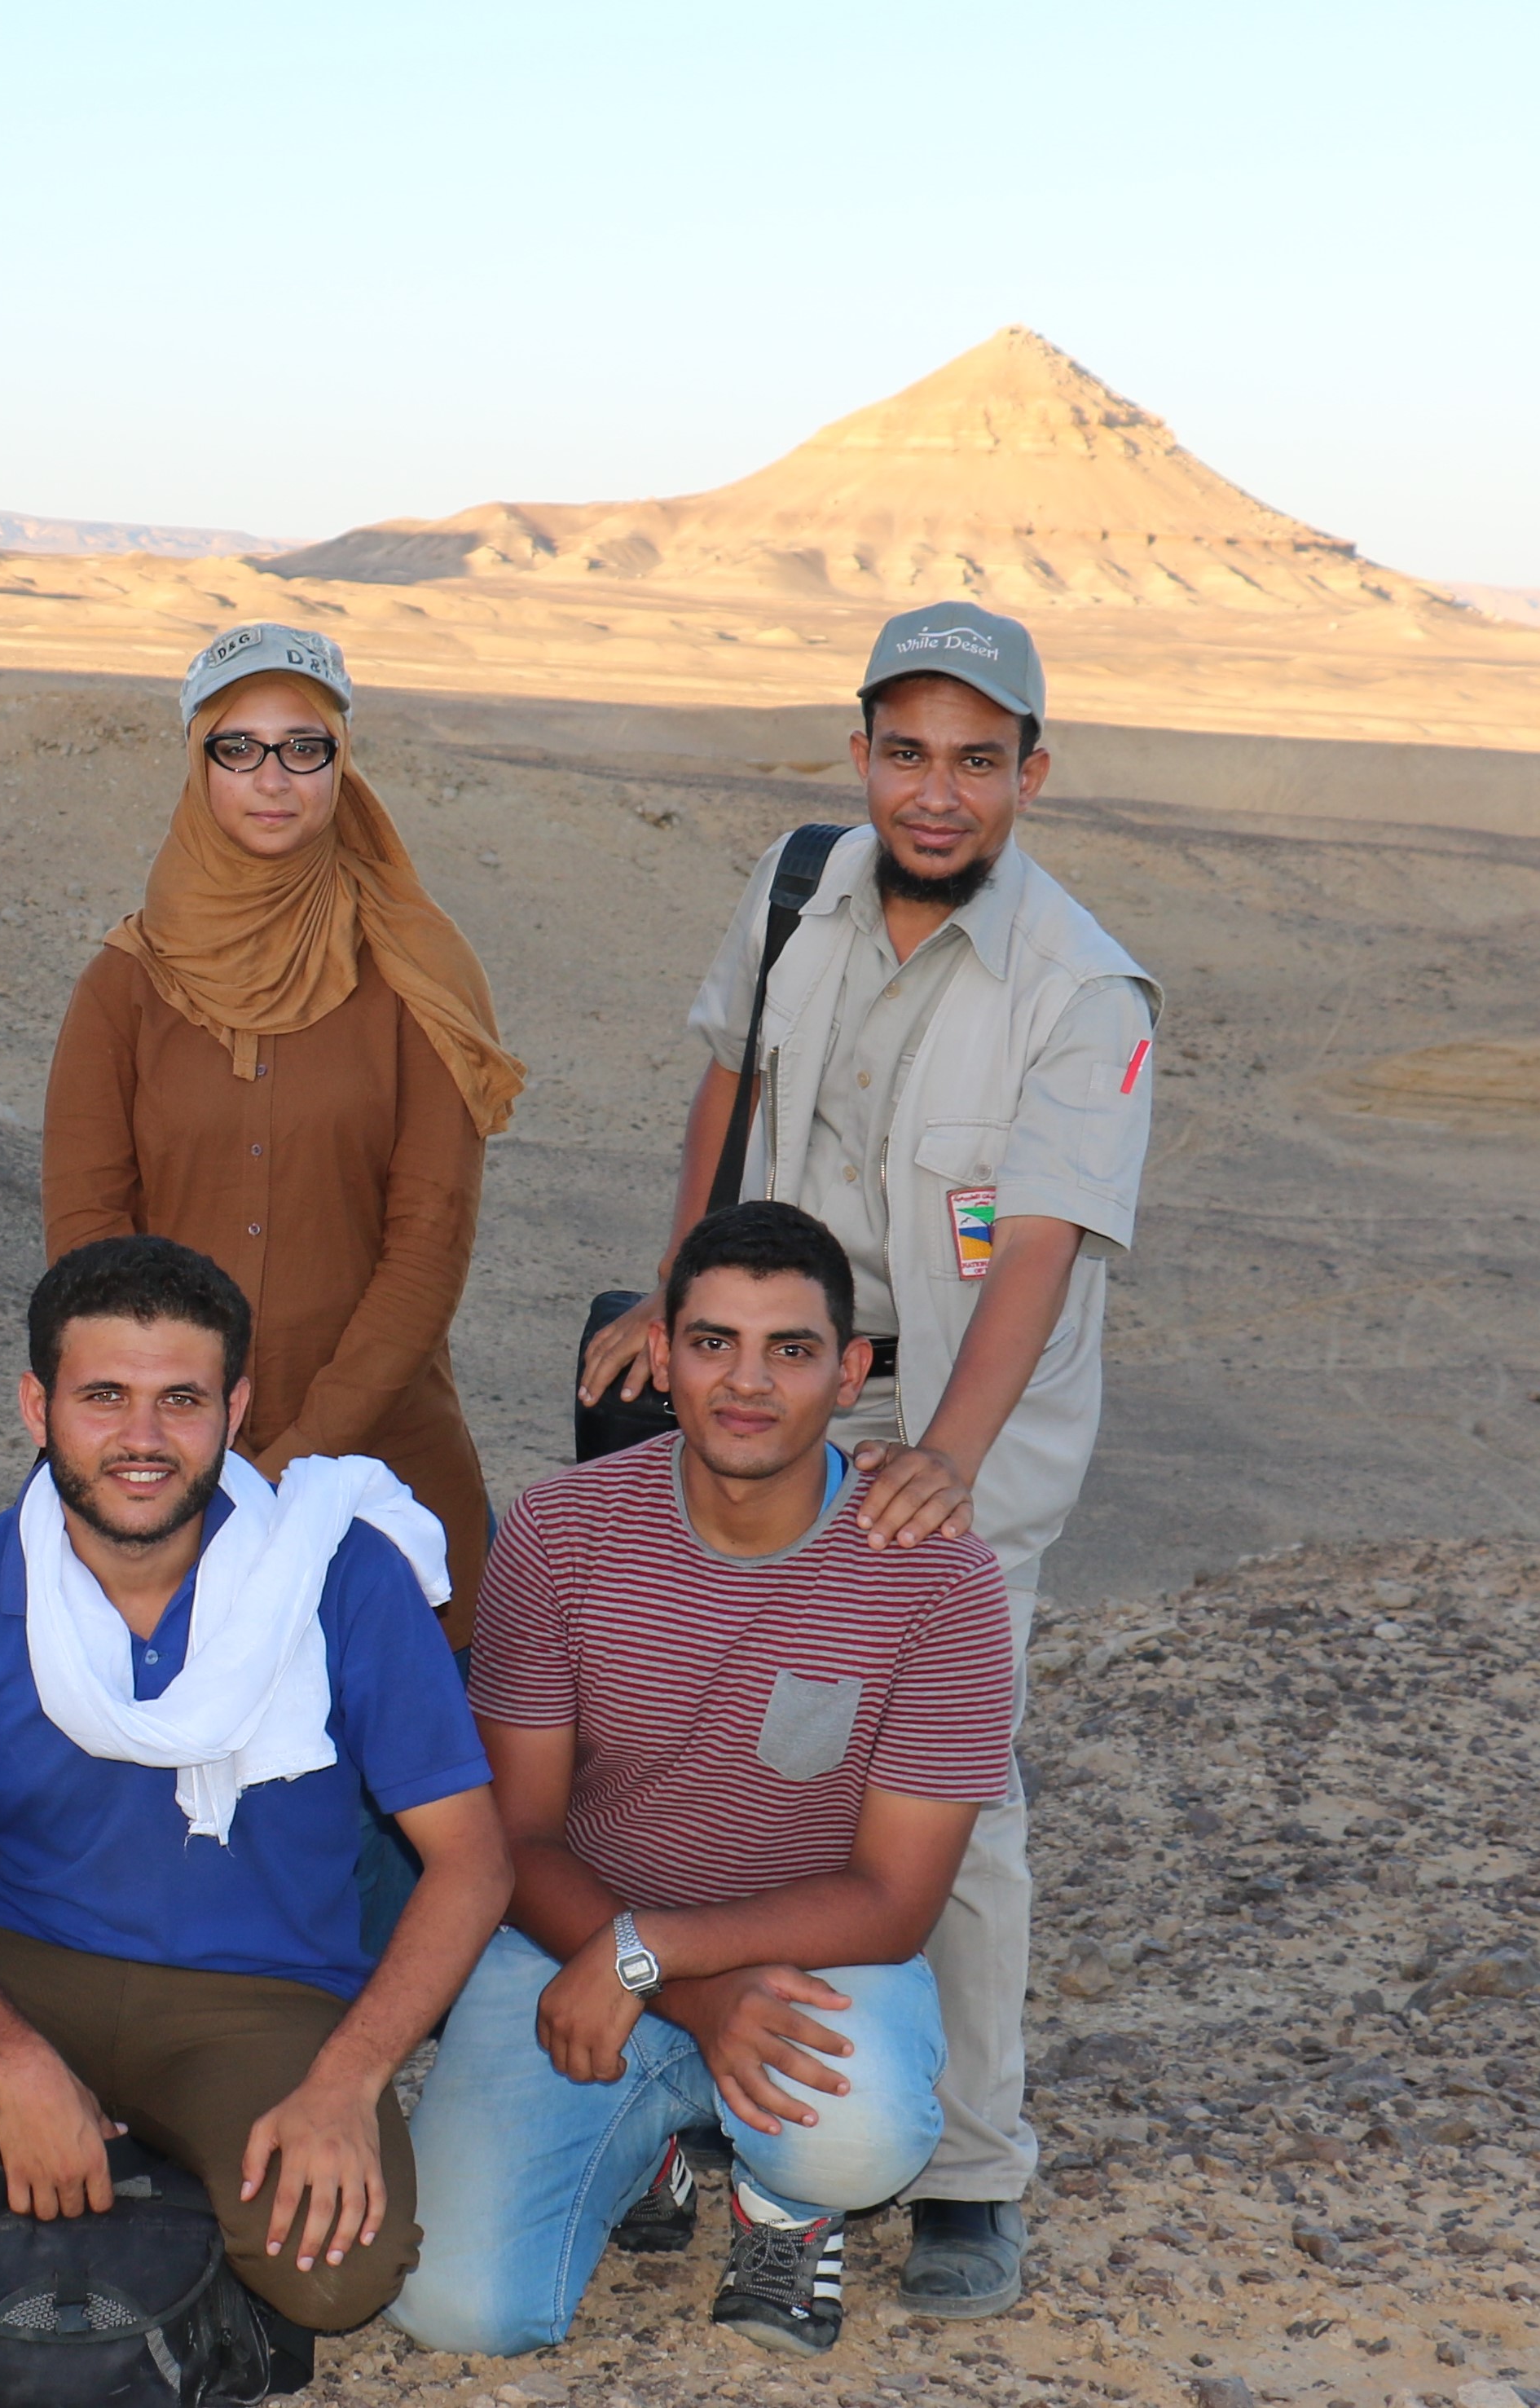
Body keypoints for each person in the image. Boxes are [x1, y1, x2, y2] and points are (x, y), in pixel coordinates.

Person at [575, 601, 1156, 2314]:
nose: (933, 790)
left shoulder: (1078, 985)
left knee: (943, 1792)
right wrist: (677, 1306)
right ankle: (694, 2110)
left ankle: (969, 2165)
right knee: (685, 1734)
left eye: (975, 760)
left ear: (1028, 776)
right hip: (762, 1386)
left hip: (946, 1420)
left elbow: (1035, 1246)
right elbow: (724, 1091)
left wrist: (947, 1464)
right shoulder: (794, 888)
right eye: (904, 751)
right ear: (859, 755)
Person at [0, 1236, 509, 2335]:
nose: (140, 1438)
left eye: (181, 1398)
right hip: (28, 1962)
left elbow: (469, 1859)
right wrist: (16, 2066)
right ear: (36, 1405)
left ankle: (142, 2165)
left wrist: (348, 2079)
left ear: (236, 1404)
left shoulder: (338, 1574)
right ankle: (82, 2137)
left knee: (334, 2281)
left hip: (259, 1994)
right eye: (103, 1396)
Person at [394, 1202, 1014, 2361]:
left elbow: (894, 1898)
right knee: (453, 2309)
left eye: (790, 1348)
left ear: (849, 1372)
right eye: (712, 1340)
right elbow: (515, 1838)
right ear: (661, 1351)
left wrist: (649, 1958)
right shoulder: (560, 1530)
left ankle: (784, 2200)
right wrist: (675, 1983)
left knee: (855, 2126)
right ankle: (656, 2138)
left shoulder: (935, 1577)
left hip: (798, 1953)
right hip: (569, 1937)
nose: (746, 1380)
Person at [44, 625, 524, 1625]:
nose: (273, 778)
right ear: (198, 763)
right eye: (238, 747)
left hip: (380, 1475)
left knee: (396, 1771)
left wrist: (281, 1470)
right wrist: (179, 1444)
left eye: (303, 747)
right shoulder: (124, 989)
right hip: (154, 1472)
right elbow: (87, 1247)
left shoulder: (418, 977)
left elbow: (426, 1244)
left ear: (339, 766)